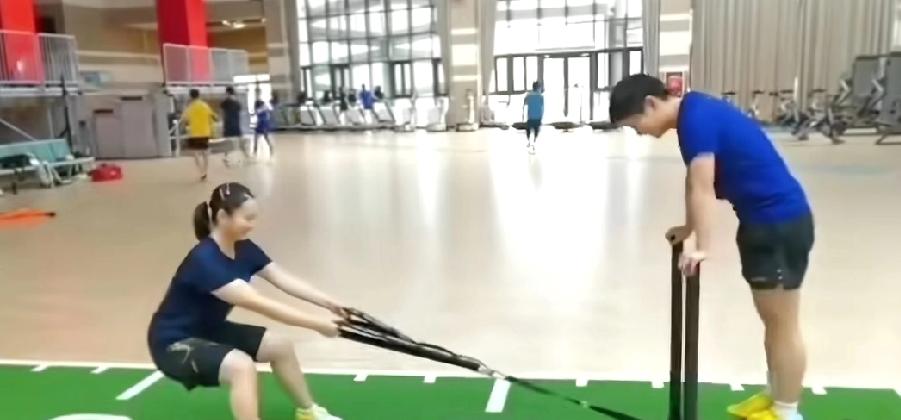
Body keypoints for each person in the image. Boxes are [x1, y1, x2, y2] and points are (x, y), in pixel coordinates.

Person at [609, 74, 813, 420]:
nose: (639, 133)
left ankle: (787, 412)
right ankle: (773, 396)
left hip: (779, 224)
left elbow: (703, 186)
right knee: (772, 322)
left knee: (783, 324)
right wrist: (689, 228)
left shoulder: (696, 120)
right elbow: (694, 183)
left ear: (651, 104)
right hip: (762, 223)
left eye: (634, 125)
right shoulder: (693, 115)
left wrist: (702, 246)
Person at [147, 182, 346, 420]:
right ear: (223, 216)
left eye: (255, 217)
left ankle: (308, 411)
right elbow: (260, 304)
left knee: (280, 346)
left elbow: (282, 278)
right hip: (173, 341)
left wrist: (330, 303)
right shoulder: (205, 260)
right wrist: (318, 324)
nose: (253, 224)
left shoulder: (243, 248)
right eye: (247, 218)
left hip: (209, 330)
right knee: (241, 367)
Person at [181, 89, 219, 181]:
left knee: (196, 153)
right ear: (199, 95)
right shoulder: (205, 105)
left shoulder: (190, 107)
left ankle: (201, 171)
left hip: (194, 133)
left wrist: (186, 125)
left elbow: (184, 119)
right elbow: (214, 117)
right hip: (205, 132)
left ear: (190, 96)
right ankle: (205, 171)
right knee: (205, 153)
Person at [221, 87, 249, 166]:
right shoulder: (237, 102)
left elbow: (223, 113)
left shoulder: (225, 102)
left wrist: (223, 125)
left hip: (228, 125)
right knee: (240, 140)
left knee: (227, 142)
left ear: (227, 93)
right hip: (236, 124)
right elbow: (239, 112)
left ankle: (226, 157)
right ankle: (246, 155)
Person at [523, 81, 545, 153]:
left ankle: (530, 142)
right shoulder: (541, 96)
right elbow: (542, 108)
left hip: (530, 117)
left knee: (528, 130)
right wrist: (542, 116)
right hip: (538, 117)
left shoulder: (528, 95)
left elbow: (525, 104)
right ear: (538, 88)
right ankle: (533, 142)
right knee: (536, 131)